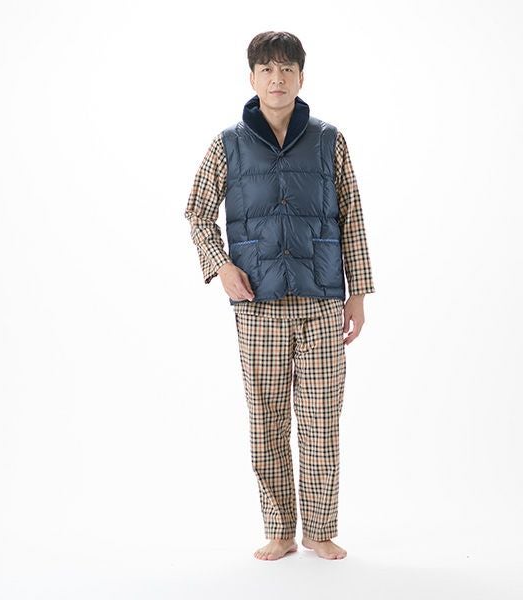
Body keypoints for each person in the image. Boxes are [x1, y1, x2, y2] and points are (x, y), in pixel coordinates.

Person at [184, 31, 376, 561]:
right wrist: (220, 266)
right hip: (258, 305)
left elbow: (352, 216)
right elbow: (197, 213)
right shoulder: (227, 144)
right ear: (252, 78)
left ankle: (319, 529)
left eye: (286, 68)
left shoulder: (330, 140)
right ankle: (279, 529)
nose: (277, 78)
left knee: (321, 421)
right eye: (266, 68)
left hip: (321, 301)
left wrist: (358, 293)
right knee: (266, 420)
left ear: (301, 77)